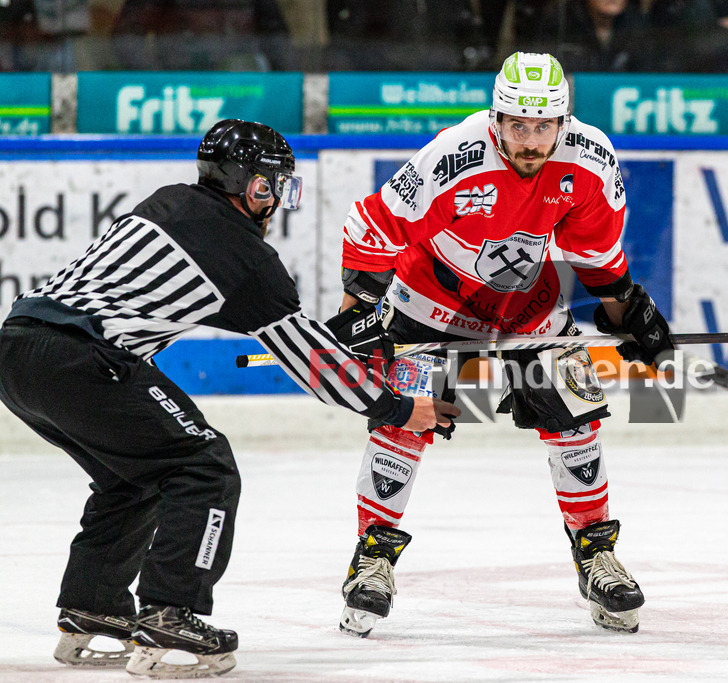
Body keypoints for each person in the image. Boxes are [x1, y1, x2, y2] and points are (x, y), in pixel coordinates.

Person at [0, 119, 457, 678]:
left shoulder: (168, 203)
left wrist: (327, 336)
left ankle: (94, 611)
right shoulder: (244, 255)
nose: (276, 202)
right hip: (85, 358)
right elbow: (310, 360)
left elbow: (194, 298)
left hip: (18, 349)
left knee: (134, 474)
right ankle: (172, 612)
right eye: (274, 186)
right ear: (250, 185)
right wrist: (398, 406)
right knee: (204, 465)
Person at [332, 51, 674, 637]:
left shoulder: (589, 159)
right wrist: (357, 316)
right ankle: (372, 561)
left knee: (574, 409)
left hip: (525, 304)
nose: (531, 139)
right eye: (519, 124)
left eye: (544, 126)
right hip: (429, 300)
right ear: (497, 117)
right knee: (405, 419)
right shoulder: (452, 157)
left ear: (562, 122)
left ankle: (595, 554)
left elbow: (597, 254)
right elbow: (372, 227)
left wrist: (629, 314)